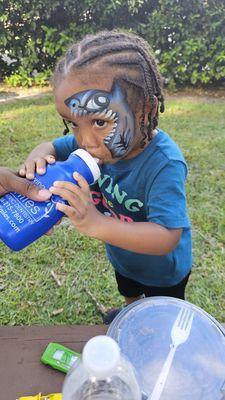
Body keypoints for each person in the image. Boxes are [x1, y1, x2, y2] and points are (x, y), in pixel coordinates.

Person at [19, 30, 192, 324]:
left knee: (162, 318)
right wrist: (37, 156)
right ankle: (130, 308)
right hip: (123, 256)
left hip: (164, 272)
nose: (85, 140)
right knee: (127, 286)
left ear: (145, 109)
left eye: (100, 121)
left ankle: (151, 321)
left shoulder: (165, 163)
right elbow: (51, 147)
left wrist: (97, 224)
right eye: (72, 123)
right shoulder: (90, 145)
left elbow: (167, 237)